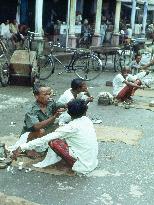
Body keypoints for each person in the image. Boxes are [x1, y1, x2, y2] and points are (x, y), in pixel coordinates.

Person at [12, 99, 98, 175]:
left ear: (68, 112)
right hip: (92, 162)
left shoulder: (70, 127)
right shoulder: (87, 120)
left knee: (54, 142)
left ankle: (69, 162)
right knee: (64, 137)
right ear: (84, 111)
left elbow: (44, 139)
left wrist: (21, 147)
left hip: (82, 166)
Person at [8, 82, 65, 156]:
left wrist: (70, 105)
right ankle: (29, 149)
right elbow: (36, 126)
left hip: (46, 132)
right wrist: (53, 117)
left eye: (48, 93)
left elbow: (60, 105)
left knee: (62, 127)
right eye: (45, 94)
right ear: (36, 96)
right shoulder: (31, 110)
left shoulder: (50, 102)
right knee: (40, 131)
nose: (48, 96)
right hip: (32, 136)